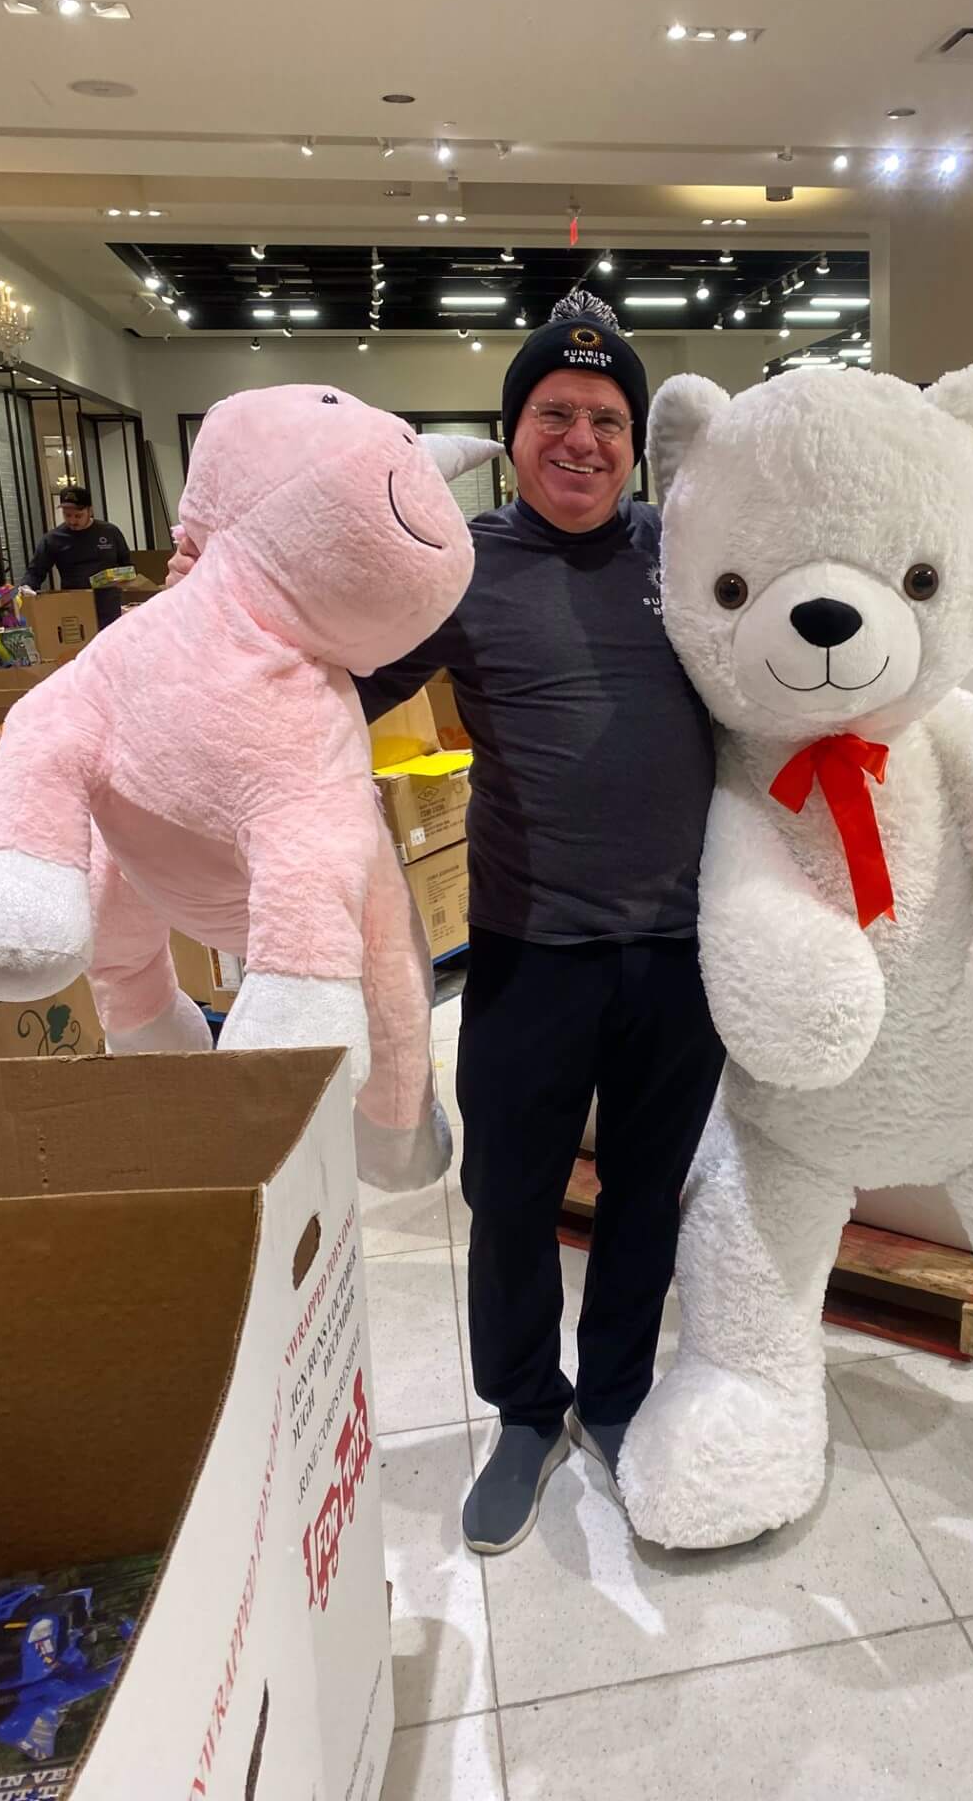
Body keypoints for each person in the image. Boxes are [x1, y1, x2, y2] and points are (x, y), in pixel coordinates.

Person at [168, 293, 724, 1556]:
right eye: (554, 413)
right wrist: (212, 620)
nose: (580, 439)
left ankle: (616, 1395)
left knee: (648, 1190)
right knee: (510, 1193)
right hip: (529, 950)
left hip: (682, 948)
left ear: (635, 444)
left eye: (607, 420)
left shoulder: (688, 555)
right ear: (512, 431)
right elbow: (327, 679)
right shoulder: (456, 565)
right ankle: (526, 1410)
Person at [21, 487, 131, 632]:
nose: (72, 521)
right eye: (67, 515)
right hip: (74, 604)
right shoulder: (53, 539)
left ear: (90, 511)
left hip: (108, 604)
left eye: (78, 516)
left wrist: (123, 578)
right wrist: (27, 587)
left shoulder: (110, 532)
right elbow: (35, 571)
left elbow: (127, 565)